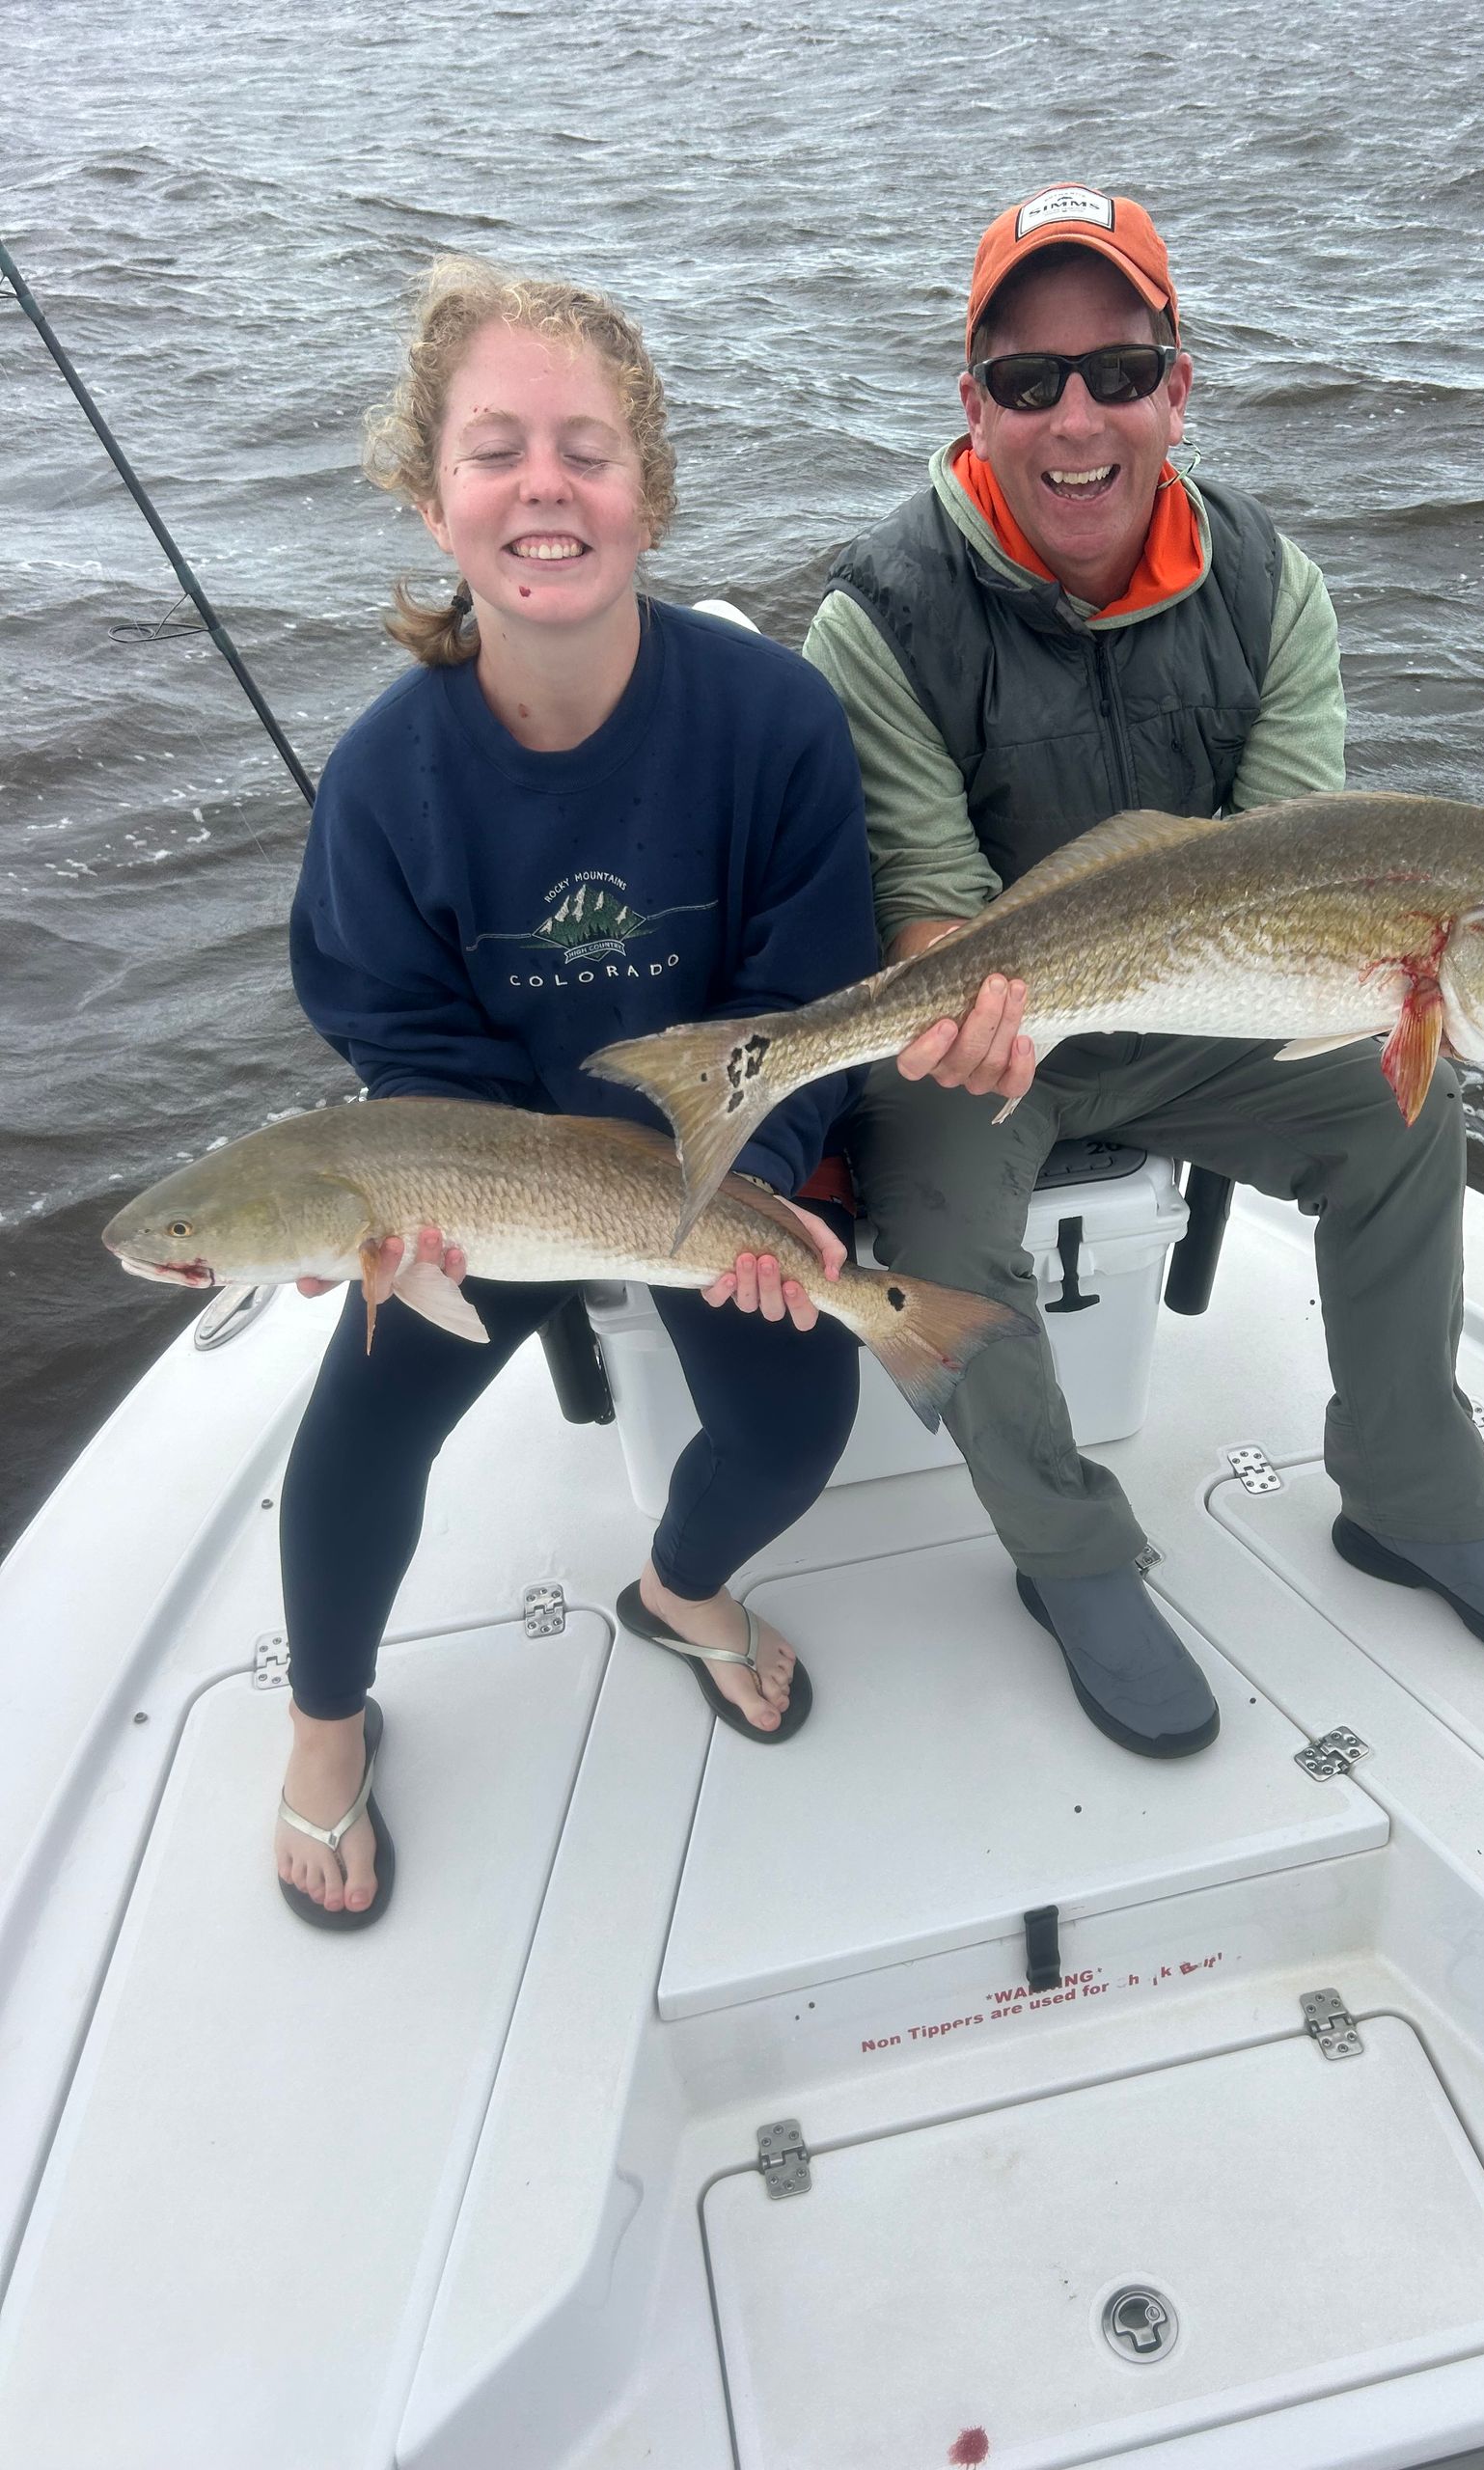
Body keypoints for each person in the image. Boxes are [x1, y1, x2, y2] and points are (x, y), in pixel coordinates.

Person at [804, 184, 1484, 1760]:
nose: (1077, 418)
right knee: (941, 1215)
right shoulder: (877, 616)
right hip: (1000, 1022)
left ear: (1179, 387)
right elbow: (930, 898)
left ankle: (1413, 1498)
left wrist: (1414, 996)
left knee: (1405, 1120)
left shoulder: (1271, 588)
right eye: (1029, 379)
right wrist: (961, 1000)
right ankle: (1068, 1552)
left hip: (1215, 1000)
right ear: (975, 404)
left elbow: (1300, 870)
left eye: (1119, 370)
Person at [274, 258, 879, 1928]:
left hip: (715, 1169)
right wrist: (419, 1207)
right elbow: (405, 1040)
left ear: (648, 495)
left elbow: (810, 1003)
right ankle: (325, 1719)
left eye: (586, 450)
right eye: (495, 449)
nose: (544, 484)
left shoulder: (774, 721)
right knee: (351, 1440)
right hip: (485, 1189)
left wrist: (772, 1181)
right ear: (431, 498)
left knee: (800, 1418)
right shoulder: (382, 781)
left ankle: (680, 1588)